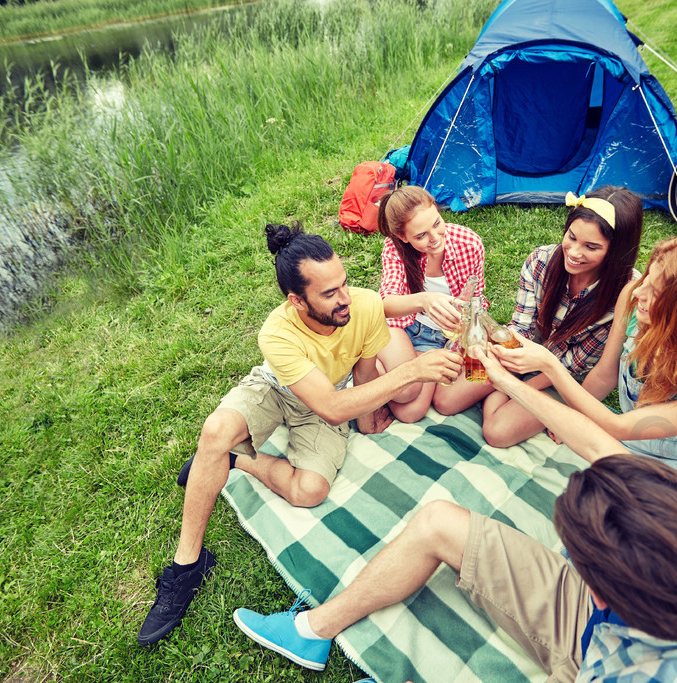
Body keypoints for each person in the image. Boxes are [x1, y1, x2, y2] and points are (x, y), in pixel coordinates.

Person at [231, 347, 677, 680]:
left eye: (585, 570)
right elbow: (605, 446)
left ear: (612, 594)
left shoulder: (630, 673)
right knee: (436, 521)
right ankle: (312, 630)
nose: (570, 570)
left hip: (598, 650)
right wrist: (502, 379)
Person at [137, 223, 463, 646]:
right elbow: (328, 405)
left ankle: (234, 461)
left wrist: (366, 414)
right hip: (278, 389)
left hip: (329, 400)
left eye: (343, 283)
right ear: (297, 300)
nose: (344, 297)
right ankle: (187, 566)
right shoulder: (277, 332)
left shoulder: (361, 306)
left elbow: (359, 379)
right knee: (216, 430)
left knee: (310, 490)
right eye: (329, 293)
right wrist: (411, 370)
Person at [491, 231, 677, 529]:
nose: (639, 292)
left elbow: (618, 427)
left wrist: (550, 365)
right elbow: (605, 374)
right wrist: (573, 415)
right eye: (647, 276)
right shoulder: (634, 299)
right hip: (637, 450)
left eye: (657, 291)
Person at [433, 187, 642, 448]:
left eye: (591, 247)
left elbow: (580, 367)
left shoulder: (627, 295)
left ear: (616, 251)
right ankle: (504, 391)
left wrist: (513, 384)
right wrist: (497, 357)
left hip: (567, 377)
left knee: (498, 432)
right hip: (524, 352)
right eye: (572, 237)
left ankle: (503, 394)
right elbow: (521, 329)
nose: (574, 252)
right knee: (444, 400)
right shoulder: (541, 261)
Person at [374, 185, 486, 422]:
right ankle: (370, 366)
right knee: (407, 391)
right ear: (403, 237)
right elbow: (385, 303)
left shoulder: (469, 243)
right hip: (400, 328)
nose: (435, 239)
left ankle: (400, 365)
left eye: (437, 223)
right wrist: (425, 300)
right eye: (421, 236)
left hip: (439, 339)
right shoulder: (395, 247)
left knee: (411, 412)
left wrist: (467, 331)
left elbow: (478, 298)